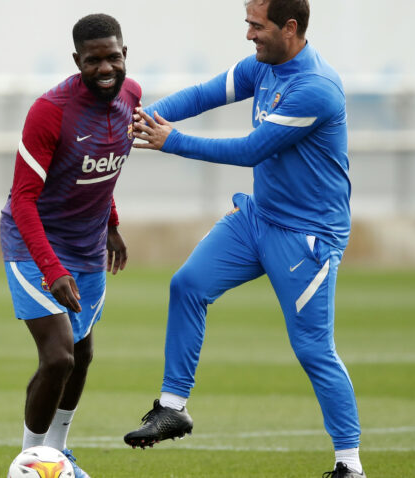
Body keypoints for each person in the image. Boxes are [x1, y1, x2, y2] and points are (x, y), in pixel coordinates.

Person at [122, 1, 364, 476]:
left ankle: (349, 465)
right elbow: (201, 95)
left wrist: (168, 140)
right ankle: (173, 407)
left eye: (258, 26)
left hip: (306, 237)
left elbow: (252, 151)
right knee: (187, 285)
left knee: (314, 350)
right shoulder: (264, 66)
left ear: (290, 28)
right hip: (258, 218)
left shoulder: (315, 88)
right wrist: (140, 117)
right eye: (248, 24)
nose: (249, 35)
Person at [0, 13, 141, 478]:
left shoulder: (132, 96)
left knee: (82, 355)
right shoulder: (50, 110)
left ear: (125, 54)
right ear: (76, 60)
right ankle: (28, 461)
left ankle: (58, 456)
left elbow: (103, 164)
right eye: (94, 59)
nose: (106, 68)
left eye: (113, 57)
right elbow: (23, 199)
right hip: (34, 245)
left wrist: (112, 225)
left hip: (87, 247)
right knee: (58, 354)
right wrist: (51, 267)